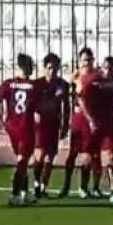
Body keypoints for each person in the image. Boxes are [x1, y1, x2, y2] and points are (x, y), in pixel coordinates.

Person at [0, 53, 42, 205]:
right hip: (25, 127)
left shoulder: (8, 84)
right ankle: (14, 194)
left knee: (22, 159)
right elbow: (39, 107)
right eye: (31, 65)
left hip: (11, 127)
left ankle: (25, 192)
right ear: (25, 67)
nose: (32, 68)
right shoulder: (34, 86)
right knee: (22, 161)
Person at [81, 57, 113, 204]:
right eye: (106, 68)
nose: (108, 71)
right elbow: (82, 99)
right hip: (95, 126)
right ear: (102, 68)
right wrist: (90, 118)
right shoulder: (95, 80)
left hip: (108, 125)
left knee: (110, 157)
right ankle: (84, 187)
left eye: (111, 68)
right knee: (89, 157)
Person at [60, 47, 101, 198]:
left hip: (92, 117)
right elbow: (70, 92)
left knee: (89, 153)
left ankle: (83, 186)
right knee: (73, 153)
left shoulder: (97, 76)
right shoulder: (75, 76)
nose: (87, 63)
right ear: (80, 61)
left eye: (89, 60)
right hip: (79, 118)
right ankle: (66, 186)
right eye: (84, 60)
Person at [32, 53, 71, 198]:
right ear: (44, 68)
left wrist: (65, 125)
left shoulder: (62, 84)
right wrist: (35, 113)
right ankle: (36, 183)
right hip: (40, 124)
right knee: (40, 155)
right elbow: (32, 103)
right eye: (49, 68)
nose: (52, 71)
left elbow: (66, 106)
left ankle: (43, 186)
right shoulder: (37, 84)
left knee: (50, 157)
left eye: (55, 68)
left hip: (54, 124)